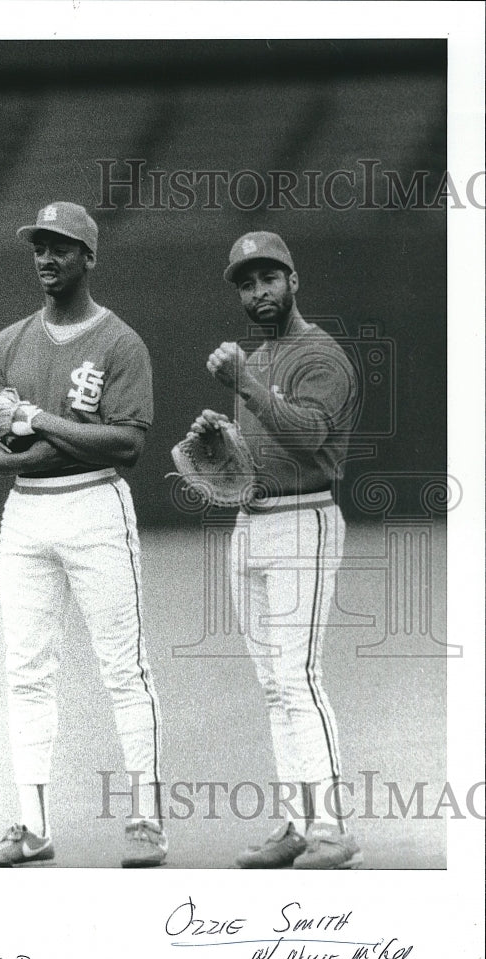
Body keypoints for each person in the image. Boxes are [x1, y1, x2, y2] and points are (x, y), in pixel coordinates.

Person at [0, 201, 166, 868]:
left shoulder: (118, 342)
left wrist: (40, 423)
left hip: (95, 509)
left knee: (124, 669)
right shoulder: (8, 341)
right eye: (39, 247)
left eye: (61, 247)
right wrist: (18, 452)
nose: (46, 258)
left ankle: (144, 820)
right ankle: (31, 826)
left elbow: (128, 442)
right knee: (25, 671)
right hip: (25, 512)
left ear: (88, 256)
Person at [190, 231, 362, 869]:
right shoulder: (254, 357)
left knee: (299, 678)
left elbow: (312, 435)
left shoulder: (322, 354)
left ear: (294, 281)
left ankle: (334, 830)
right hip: (252, 523)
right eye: (246, 282)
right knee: (273, 686)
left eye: (269, 278)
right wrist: (221, 437)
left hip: (303, 522)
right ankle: (297, 823)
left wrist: (246, 386)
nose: (258, 292)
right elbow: (260, 446)